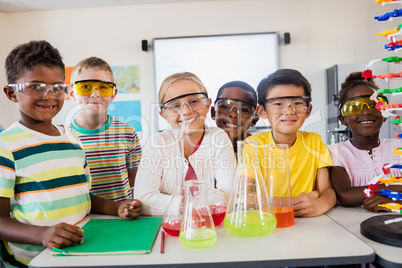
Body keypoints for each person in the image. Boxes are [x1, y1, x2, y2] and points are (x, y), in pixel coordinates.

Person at [0, 40, 141, 268]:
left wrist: (116, 207)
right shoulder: (5, 145)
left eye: (56, 87)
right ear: (11, 93)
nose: (49, 95)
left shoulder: (73, 141)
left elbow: (83, 198)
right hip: (34, 261)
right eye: (36, 86)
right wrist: (42, 234)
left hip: (80, 251)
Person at [134, 72, 236, 215]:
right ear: (164, 115)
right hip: (168, 227)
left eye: (194, 101)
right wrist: (197, 204)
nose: (186, 111)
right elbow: (143, 200)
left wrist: (174, 204)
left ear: (208, 105)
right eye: (175, 106)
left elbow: (230, 194)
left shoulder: (218, 138)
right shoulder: (157, 142)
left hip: (212, 228)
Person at [246, 69, 336, 217]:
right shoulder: (252, 145)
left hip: (309, 224)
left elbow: (327, 190)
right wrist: (289, 202)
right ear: (262, 111)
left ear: (308, 110)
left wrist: (321, 203)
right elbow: (245, 197)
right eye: (279, 103)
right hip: (267, 222)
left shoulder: (314, 141)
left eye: (298, 103)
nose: (289, 111)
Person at [67, 57, 142, 202]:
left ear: (113, 94)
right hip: (83, 217)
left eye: (103, 88)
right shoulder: (63, 137)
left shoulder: (127, 132)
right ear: (72, 93)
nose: (95, 94)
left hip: (123, 215)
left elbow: (135, 179)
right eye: (85, 87)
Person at [328, 72, 402, 212]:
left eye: (374, 105)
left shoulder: (398, 147)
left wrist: (392, 201)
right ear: (343, 118)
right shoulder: (336, 152)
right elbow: (345, 195)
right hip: (349, 228)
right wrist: (392, 189)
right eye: (355, 107)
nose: (366, 112)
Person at [211, 81, 259, 154]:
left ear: (254, 120)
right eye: (225, 106)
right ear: (213, 113)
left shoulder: (261, 151)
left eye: (243, 110)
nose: (233, 114)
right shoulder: (201, 149)